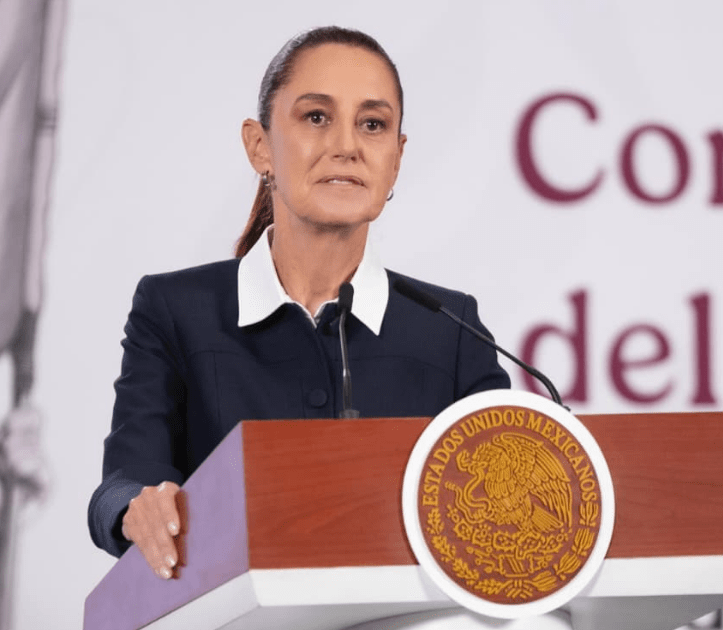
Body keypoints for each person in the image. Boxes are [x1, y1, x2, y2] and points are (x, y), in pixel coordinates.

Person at [87, 26, 512, 582]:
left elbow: (509, 491)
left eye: (373, 124)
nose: (347, 146)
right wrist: (135, 506)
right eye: (316, 117)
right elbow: (124, 484)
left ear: (396, 158)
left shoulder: (451, 330)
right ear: (259, 146)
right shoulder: (174, 310)